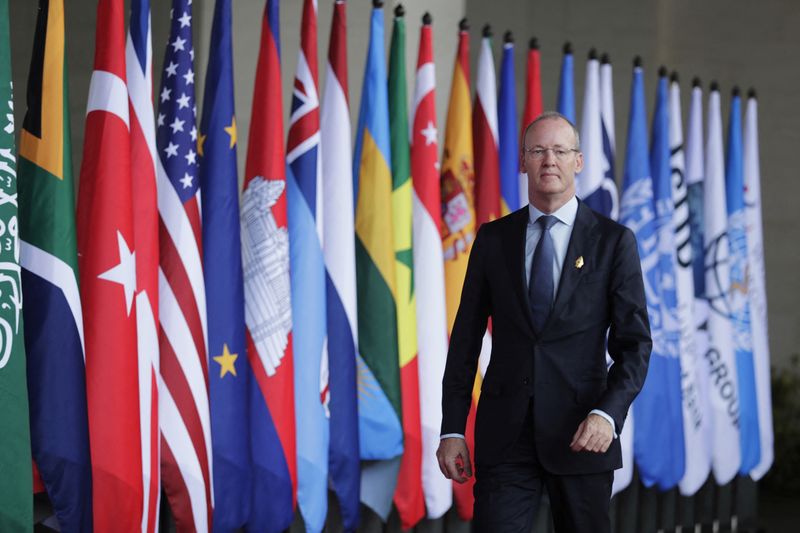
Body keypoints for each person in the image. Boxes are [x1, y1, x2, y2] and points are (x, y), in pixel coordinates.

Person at [436, 112, 651, 533]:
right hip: (506, 436)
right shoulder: (493, 239)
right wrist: (451, 428)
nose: (548, 160)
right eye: (537, 151)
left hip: (582, 432)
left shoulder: (613, 242)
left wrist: (607, 415)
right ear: (522, 162)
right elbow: (465, 341)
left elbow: (635, 346)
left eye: (559, 150)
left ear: (578, 161)